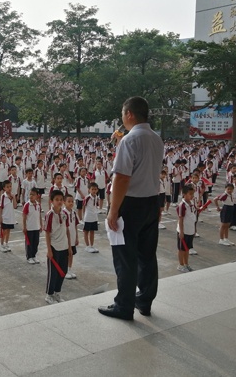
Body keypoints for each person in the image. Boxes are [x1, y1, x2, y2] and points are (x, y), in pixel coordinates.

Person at [100, 96, 164, 320]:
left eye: (122, 114)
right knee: (147, 255)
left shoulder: (130, 140)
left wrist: (113, 209)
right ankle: (144, 300)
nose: (122, 119)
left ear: (129, 114)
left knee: (125, 256)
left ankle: (124, 305)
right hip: (151, 201)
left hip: (131, 204)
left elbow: (122, 177)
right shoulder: (156, 138)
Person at [44, 190, 71, 305]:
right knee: (53, 273)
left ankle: (57, 292)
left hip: (64, 246)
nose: (59, 202)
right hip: (54, 247)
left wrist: (69, 246)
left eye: (61, 200)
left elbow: (67, 230)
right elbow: (47, 233)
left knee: (63, 271)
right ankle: (49, 295)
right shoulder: (49, 215)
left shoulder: (65, 214)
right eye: (56, 200)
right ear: (52, 201)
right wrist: (49, 250)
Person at [176, 184, 196, 272]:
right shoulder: (182, 205)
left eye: (193, 194)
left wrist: (194, 230)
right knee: (181, 249)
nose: (192, 196)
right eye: (190, 194)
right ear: (184, 194)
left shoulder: (191, 203)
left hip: (190, 230)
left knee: (187, 249)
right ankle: (180, 265)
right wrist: (181, 231)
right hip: (184, 231)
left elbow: (192, 217)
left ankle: (186, 264)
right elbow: (180, 219)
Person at [22, 188, 42, 264]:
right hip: (29, 228)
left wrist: (41, 225)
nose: (31, 196)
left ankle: (34, 255)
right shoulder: (27, 205)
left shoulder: (38, 205)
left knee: (36, 242)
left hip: (36, 227)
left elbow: (39, 215)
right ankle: (29, 257)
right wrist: (24, 227)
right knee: (29, 243)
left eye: (33, 195)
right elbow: (24, 216)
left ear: (37, 196)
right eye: (30, 194)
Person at [0, 180, 16, 252]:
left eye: (10, 186)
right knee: (4, 231)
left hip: (11, 217)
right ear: (4, 188)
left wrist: (14, 197)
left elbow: (15, 206)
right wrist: (0, 217)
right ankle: (1, 245)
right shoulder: (3, 196)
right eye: (7, 187)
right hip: (5, 217)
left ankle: (6, 243)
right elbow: (1, 207)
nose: (9, 188)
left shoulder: (13, 196)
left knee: (8, 231)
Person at [82, 183, 100, 253]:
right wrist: (84, 215)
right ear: (89, 190)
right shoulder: (87, 198)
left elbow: (96, 206)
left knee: (92, 231)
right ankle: (87, 246)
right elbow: (83, 206)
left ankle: (92, 245)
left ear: (97, 190)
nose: (94, 191)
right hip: (88, 217)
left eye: (95, 189)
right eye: (92, 189)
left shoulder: (97, 197)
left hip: (94, 217)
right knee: (86, 231)